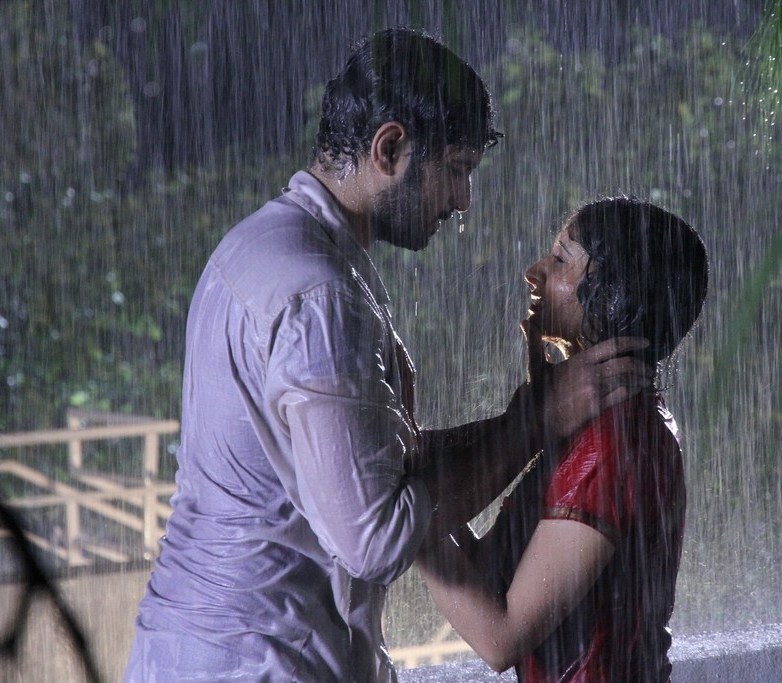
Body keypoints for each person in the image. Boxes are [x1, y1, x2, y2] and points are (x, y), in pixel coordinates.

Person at [124, 29, 651, 682]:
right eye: (456, 168)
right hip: (257, 661)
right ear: (391, 148)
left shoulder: (266, 245)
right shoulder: (318, 292)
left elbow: (375, 473)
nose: (463, 200)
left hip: (215, 649)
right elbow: (376, 539)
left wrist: (531, 415)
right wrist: (538, 421)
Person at [416, 197, 710, 682]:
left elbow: (500, 639)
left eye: (559, 259)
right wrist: (529, 420)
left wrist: (396, 511)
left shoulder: (614, 443)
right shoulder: (599, 425)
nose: (533, 273)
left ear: (616, 294)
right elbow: (485, 574)